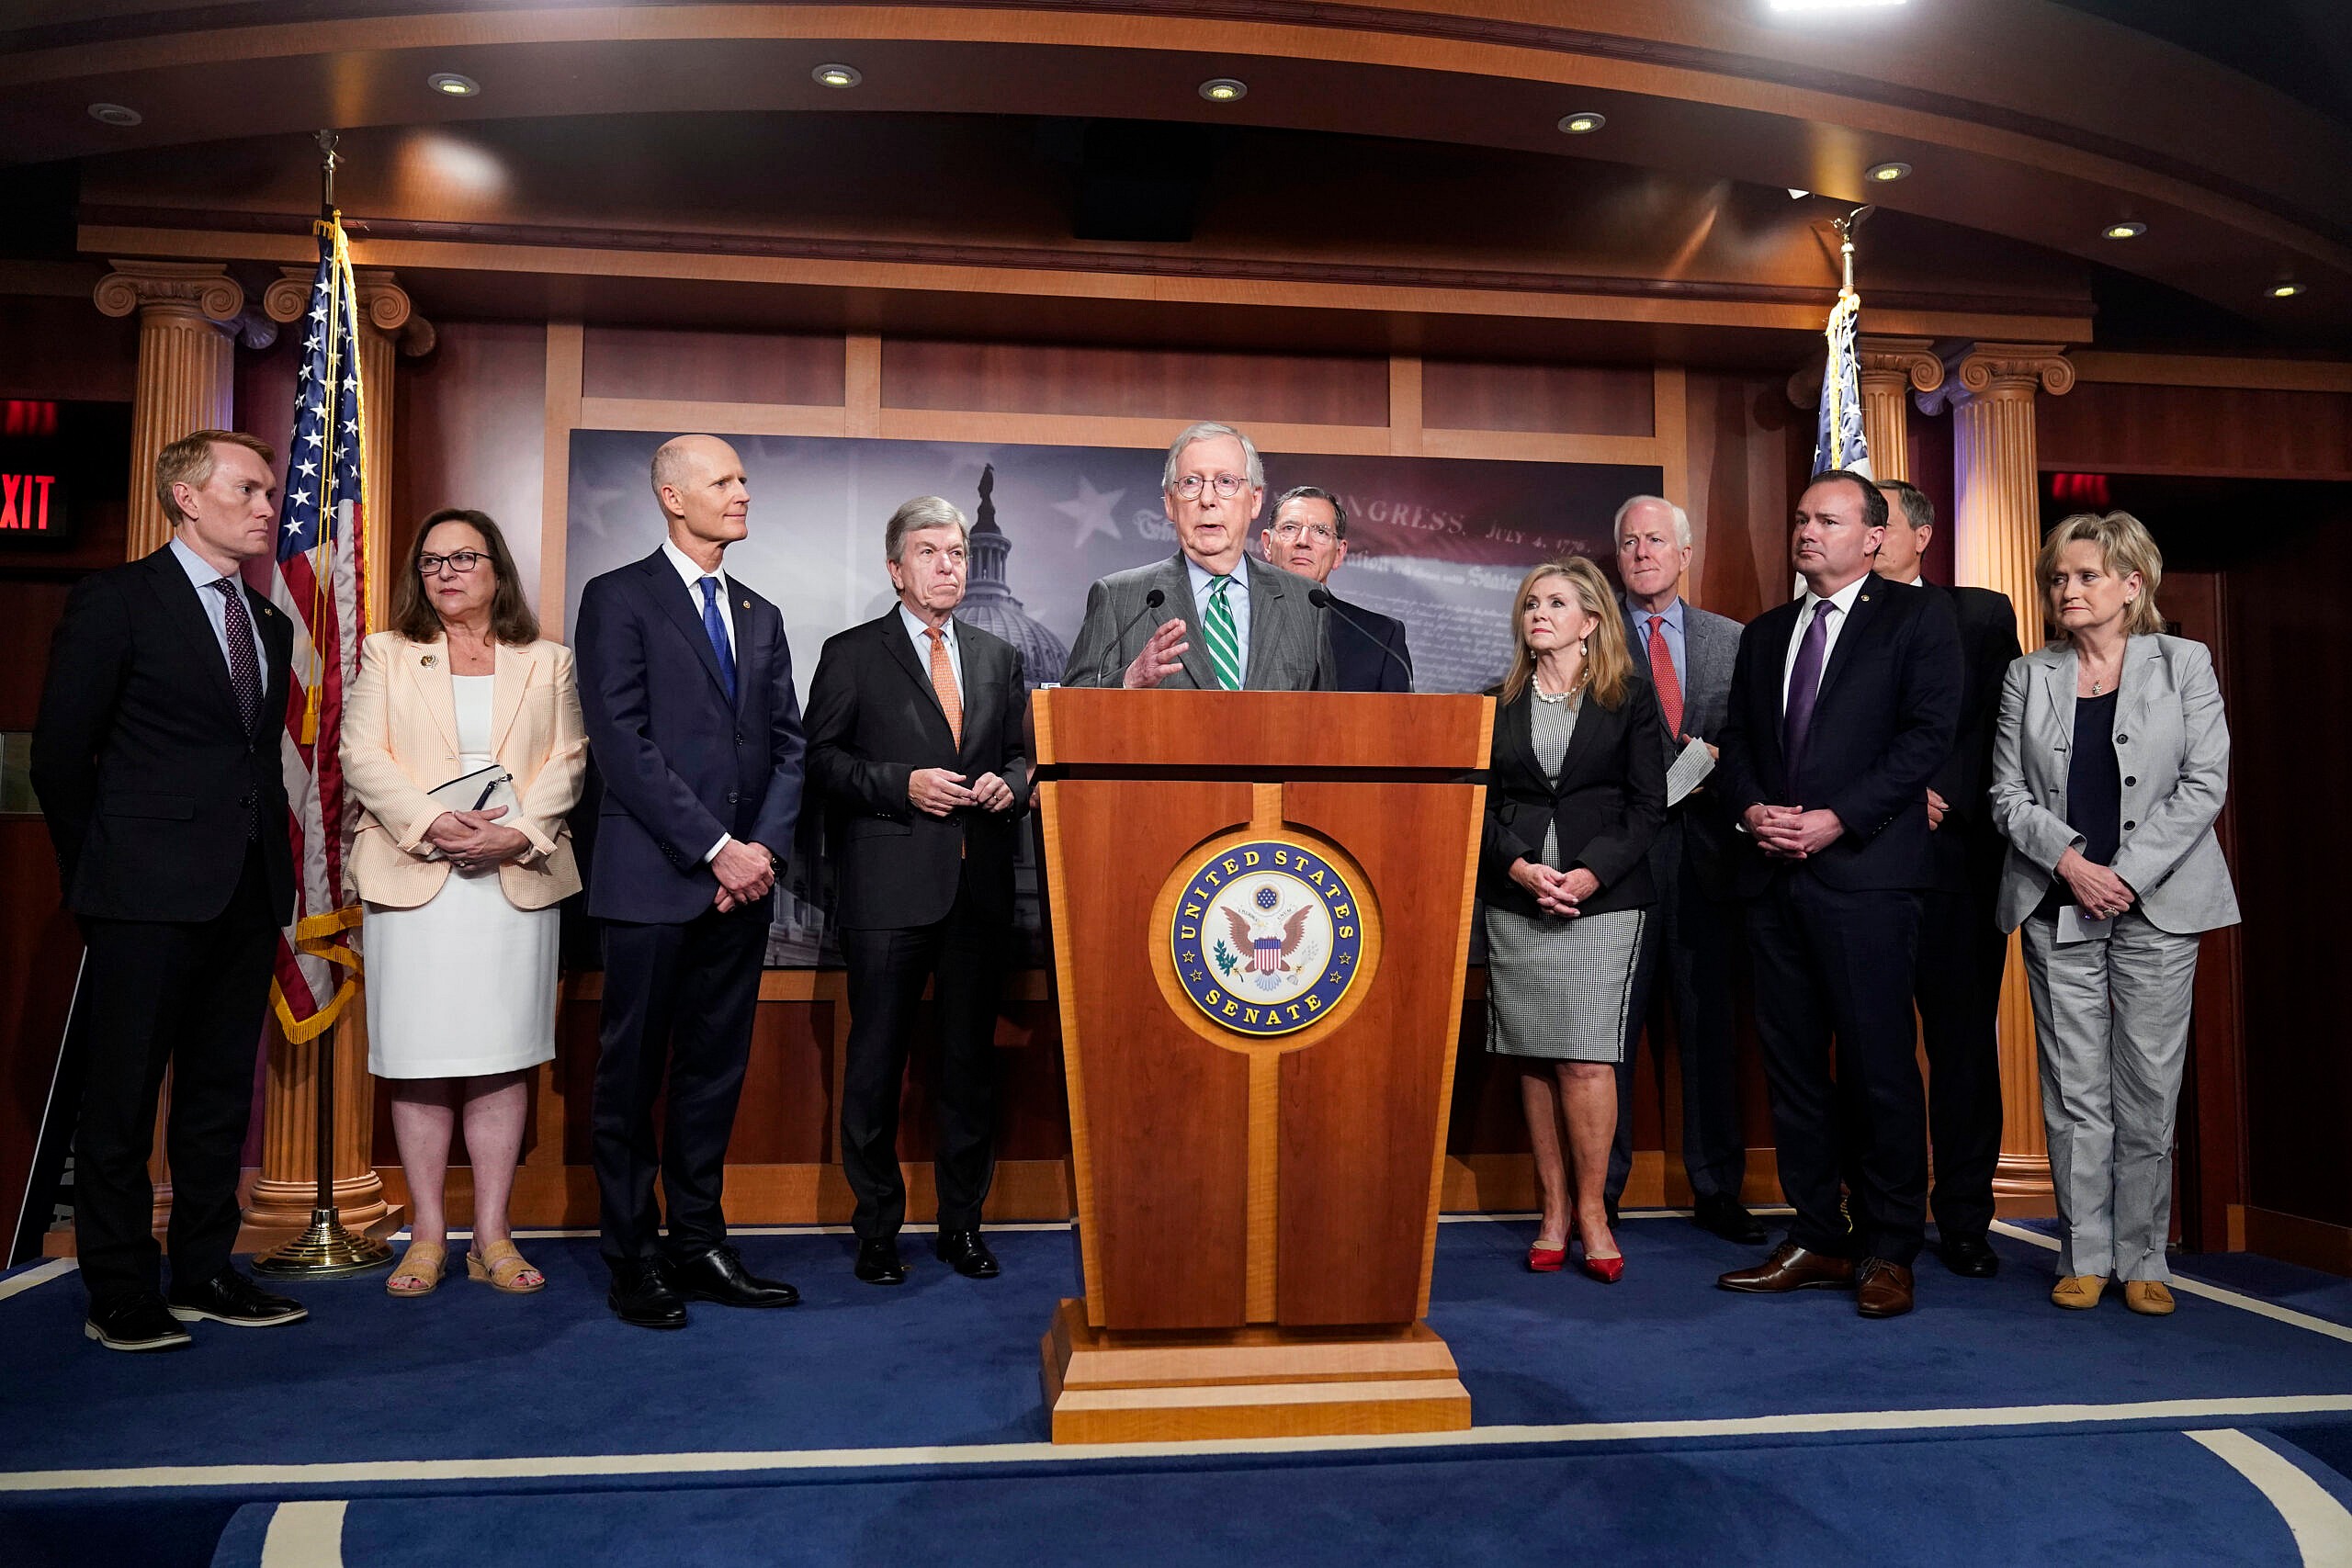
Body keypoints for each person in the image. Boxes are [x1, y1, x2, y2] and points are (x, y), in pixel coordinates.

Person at [31, 430, 306, 1350]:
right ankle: (120, 1289)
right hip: (141, 895)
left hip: (245, 889)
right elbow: (62, 757)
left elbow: (254, 761)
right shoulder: (117, 600)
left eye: (272, 489)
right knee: (120, 1100)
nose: (269, 504)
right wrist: (101, 874)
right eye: (249, 488)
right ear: (187, 496)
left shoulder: (266, 621)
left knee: (219, 1098)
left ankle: (203, 1271)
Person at [1713, 469, 1960, 1319]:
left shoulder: (1921, 620)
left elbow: (1927, 737)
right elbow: (1737, 739)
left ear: (1875, 537)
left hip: (1867, 879)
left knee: (1878, 1066)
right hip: (1772, 881)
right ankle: (1819, 1233)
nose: (1807, 530)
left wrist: (1835, 819)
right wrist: (1751, 808)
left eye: (1827, 518)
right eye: (1801, 517)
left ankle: (1891, 1246)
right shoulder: (1767, 631)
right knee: (1792, 1072)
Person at [574, 434, 807, 1330]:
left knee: (713, 1073)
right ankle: (633, 1257)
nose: (743, 492)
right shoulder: (617, 598)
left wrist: (760, 854)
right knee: (631, 1077)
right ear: (673, 496)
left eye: (744, 478)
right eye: (724, 480)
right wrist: (715, 848)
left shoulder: (759, 610)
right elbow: (622, 745)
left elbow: (787, 745)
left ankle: (698, 1242)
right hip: (654, 879)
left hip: (741, 887)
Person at [1988, 511, 2237, 1316]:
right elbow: (2005, 795)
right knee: (2074, 1088)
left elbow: (2204, 783)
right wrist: (2070, 862)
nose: (2068, 588)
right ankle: (2083, 1251)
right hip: (2056, 903)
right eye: (2058, 577)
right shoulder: (2029, 675)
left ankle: (2144, 1256)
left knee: (2147, 1087)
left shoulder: (2183, 663)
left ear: (2133, 585)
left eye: (2086, 575)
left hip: (2158, 907)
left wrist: (2119, 875)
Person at [342, 509, 587, 1299]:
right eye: (431, 561)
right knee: (418, 1059)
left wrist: (516, 834)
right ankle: (426, 1235)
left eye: (463, 557)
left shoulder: (547, 659)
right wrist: (434, 822)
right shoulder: (387, 653)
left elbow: (570, 760)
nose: (445, 572)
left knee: (499, 1054)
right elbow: (361, 755)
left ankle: (493, 1233)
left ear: (496, 568)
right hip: (416, 876)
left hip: (514, 881)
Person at [805, 496, 1032, 1287]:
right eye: (931, 552)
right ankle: (877, 1230)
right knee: (875, 1065)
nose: (949, 565)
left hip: (977, 891)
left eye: (959, 552)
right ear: (897, 569)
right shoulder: (852, 654)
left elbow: (1022, 755)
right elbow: (820, 763)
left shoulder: (999, 658)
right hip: (886, 889)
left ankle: (963, 1226)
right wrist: (901, 784)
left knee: (969, 1068)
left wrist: (1012, 784)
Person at [1479, 557, 1666, 1283]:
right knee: (1536, 1052)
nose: (1538, 613)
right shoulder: (1493, 702)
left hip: (1605, 898)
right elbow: (1482, 805)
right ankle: (1552, 1211)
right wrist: (1521, 867)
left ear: (1591, 623)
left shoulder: (1629, 699)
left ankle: (1593, 1211)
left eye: (1555, 602)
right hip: (1519, 896)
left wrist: (1589, 872)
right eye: (1531, 603)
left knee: (1586, 1057)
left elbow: (1648, 805)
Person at [1600, 495, 1762, 1247]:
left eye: (1655, 540)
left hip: (1709, 860)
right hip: (1621, 863)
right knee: (1609, 1035)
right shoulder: (1592, 637)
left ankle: (1718, 1187)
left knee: (1708, 1029)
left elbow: (1760, 743)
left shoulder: (1733, 640)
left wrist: (1728, 769)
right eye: (1630, 542)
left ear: (1684, 552)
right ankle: (1600, 1190)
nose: (1641, 552)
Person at [1872, 479, 2023, 1279]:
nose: (1865, 533)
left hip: (1958, 862)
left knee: (1963, 1048)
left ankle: (1965, 1216)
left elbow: (2004, 720)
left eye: (1881, 520)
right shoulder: (1835, 624)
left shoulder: (1979, 613)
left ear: (1922, 534)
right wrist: (1892, 796)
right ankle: (1883, 1212)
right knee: (1875, 1048)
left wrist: (1944, 792)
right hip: (1866, 866)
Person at [1061, 422, 1337, 691]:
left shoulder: (1307, 603)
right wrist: (1129, 679)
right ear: (1170, 503)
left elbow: (1328, 720)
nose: (1207, 499)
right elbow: (1070, 708)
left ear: (1255, 500)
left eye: (1226, 482)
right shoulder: (1119, 597)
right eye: (1191, 483)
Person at [1258, 485, 1412, 692]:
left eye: (1320, 531)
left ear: (1339, 553)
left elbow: (1399, 720)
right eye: (1290, 528)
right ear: (1267, 544)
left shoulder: (1380, 637)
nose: (1303, 541)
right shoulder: (1234, 621)